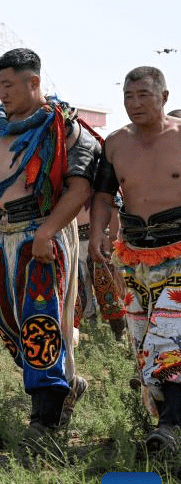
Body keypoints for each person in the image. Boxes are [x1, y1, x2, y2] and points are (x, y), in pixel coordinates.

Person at [0, 48, 99, 448]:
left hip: (44, 234)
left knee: (39, 321)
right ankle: (66, 384)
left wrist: (48, 231)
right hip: (4, 236)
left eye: (8, 85)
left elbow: (80, 187)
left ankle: (45, 417)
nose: (1, 93)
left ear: (34, 82)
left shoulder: (66, 126)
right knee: (9, 324)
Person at [90, 66, 181, 453]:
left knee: (170, 338)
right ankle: (168, 424)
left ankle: (170, 426)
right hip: (134, 257)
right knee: (144, 343)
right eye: (129, 96)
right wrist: (97, 233)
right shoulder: (114, 143)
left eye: (144, 95)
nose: (135, 103)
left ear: (163, 97)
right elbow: (104, 197)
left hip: (179, 250)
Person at [73, 202, 126, 340]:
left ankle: (119, 334)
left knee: (110, 290)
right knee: (79, 292)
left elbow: (114, 207)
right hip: (73, 240)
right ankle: (91, 331)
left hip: (99, 239)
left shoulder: (100, 183)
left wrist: (114, 239)